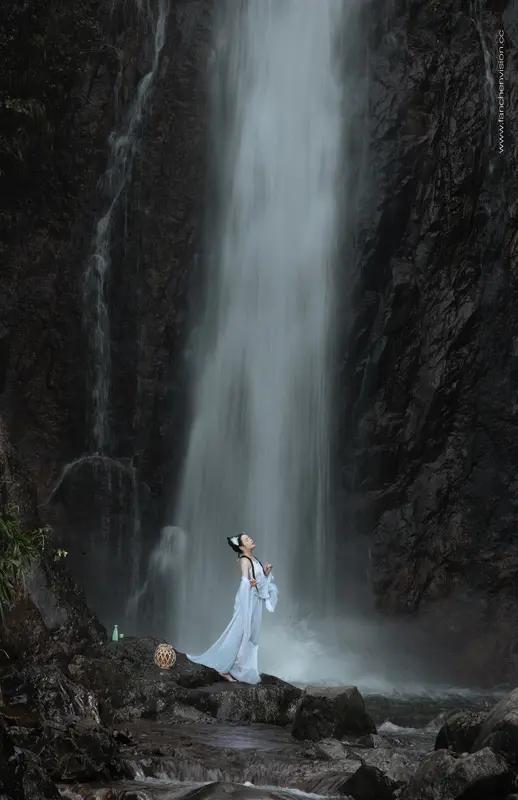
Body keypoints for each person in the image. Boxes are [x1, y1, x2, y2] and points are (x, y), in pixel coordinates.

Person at [185, 532, 279, 684]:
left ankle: (240, 666)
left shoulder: (255, 559)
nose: (251, 539)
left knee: (250, 635)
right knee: (238, 634)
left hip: (255, 603)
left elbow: (258, 581)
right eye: (247, 539)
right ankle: (224, 667)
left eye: (249, 537)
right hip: (247, 602)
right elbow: (245, 582)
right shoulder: (244, 560)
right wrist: (249, 591)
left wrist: (266, 573)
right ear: (242, 547)